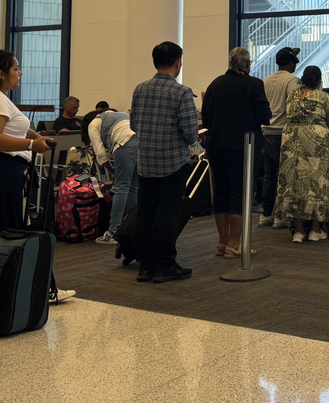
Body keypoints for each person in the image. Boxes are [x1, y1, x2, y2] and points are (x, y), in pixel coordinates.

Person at [0, 49, 74, 303]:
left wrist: (35, 138)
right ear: (1, 74)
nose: (20, 73)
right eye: (15, 68)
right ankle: (11, 293)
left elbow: (16, 128)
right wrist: (31, 146)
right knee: (1, 237)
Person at [130, 41, 199, 283]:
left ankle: (146, 266)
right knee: (168, 214)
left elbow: (133, 126)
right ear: (178, 63)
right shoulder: (181, 92)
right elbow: (191, 132)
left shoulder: (139, 89)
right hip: (173, 162)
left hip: (146, 161)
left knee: (145, 213)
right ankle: (166, 264)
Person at [202, 48, 272, 259]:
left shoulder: (215, 84)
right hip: (245, 147)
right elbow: (264, 116)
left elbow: (206, 116)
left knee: (221, 192)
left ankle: (222, 243)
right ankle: (235, 244)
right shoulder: (254, 84)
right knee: (239, 194)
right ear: (248, 65)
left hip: (217, 147)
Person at [275, 65, 329, 243]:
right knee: (316, 185)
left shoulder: (292, 96)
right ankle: (315, 230)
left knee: (295, 185)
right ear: (320, 80)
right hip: (315, 145)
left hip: (292, 143)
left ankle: (298, 232)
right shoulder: (323, 97)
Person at [84, 108, 138, 245]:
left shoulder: (94, 123)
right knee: (134, 187)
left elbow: (101, 155)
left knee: (121, 187)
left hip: (125, 142)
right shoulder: (121, 115)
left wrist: (113, 171)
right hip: (143, 141)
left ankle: (114, 232)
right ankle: (133, 228)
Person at [261, 47, 302, 228]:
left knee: (269, 175)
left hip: (266, 132)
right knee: (285, 175)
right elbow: (295, 107)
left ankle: (266, 213)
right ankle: (281, 216)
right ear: (292, 63)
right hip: (283, 133)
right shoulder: (292, 80)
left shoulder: (265, 81)